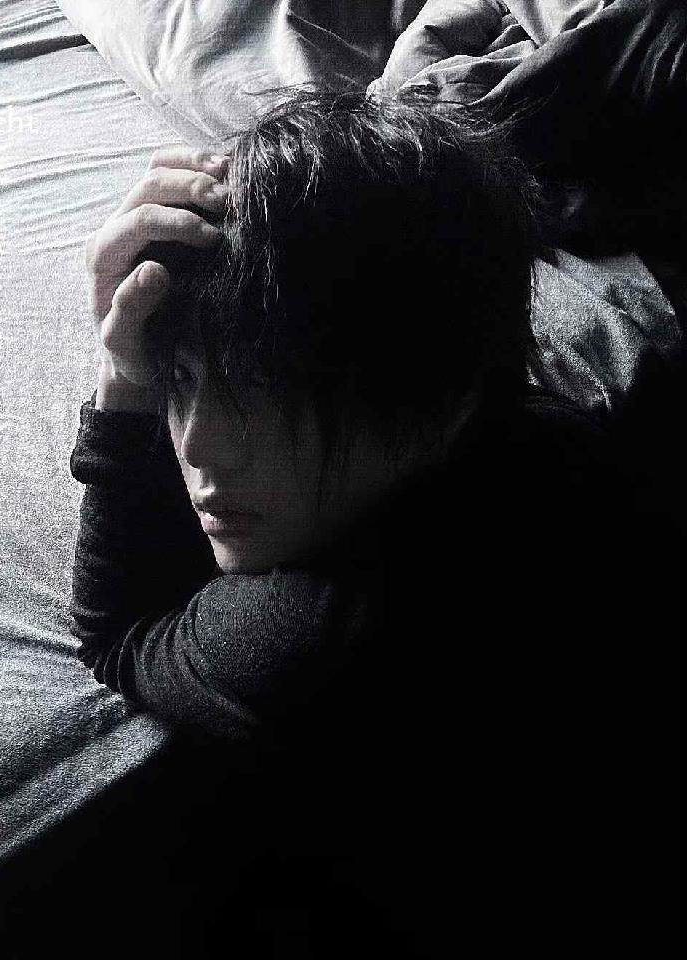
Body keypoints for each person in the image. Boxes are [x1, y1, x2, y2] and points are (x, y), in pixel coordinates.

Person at [68, 88, 673, 958]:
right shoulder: (550, 433)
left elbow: (122, 631)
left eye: (263, 393)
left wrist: (122, 384)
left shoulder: (324, 627)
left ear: (436, 395)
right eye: (180, 381)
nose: (195, 447)